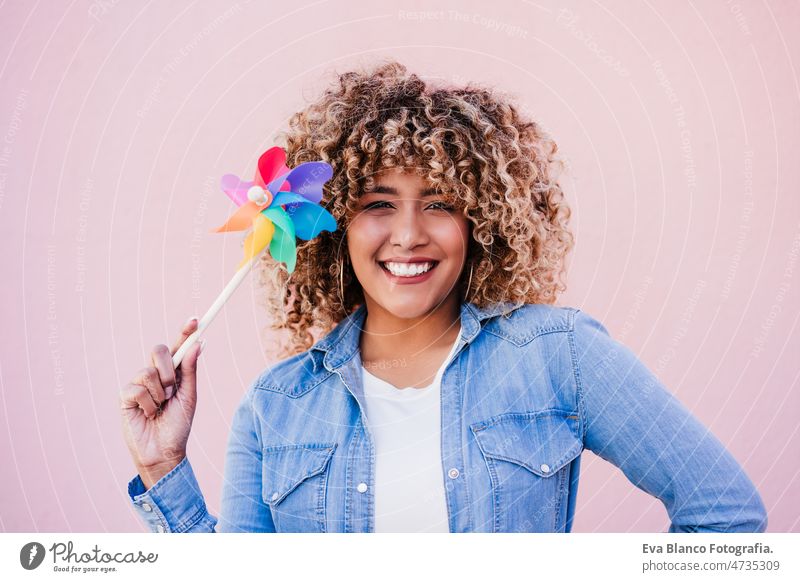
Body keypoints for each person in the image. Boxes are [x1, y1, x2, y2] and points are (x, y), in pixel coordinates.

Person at [119, 61, 768, 533]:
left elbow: (726, 516)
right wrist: (163, 465)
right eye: (378, 204)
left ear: (479, 222)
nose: (408, 234)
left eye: (439, 203)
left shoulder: (557, 354)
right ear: (336, 223)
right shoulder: (275, 408)